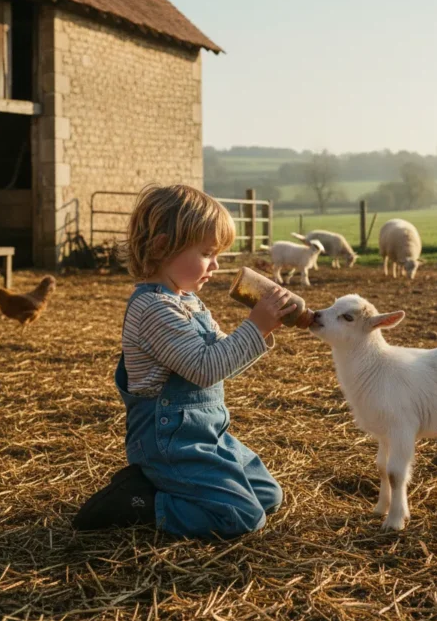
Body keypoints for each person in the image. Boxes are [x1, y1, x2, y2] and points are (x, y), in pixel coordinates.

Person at [73, 184, 295, 538]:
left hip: (209, 434)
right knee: (241, 518)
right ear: (163, 247)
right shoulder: (153, 309)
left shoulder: (186, 300)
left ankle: (169, 490)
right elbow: (205, 368)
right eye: (207, 253)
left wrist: (263, 329)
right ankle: (142, 503)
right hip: (171, 442)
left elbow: (224, 358)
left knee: (268, 495)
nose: (216, 264)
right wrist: (255, 326)